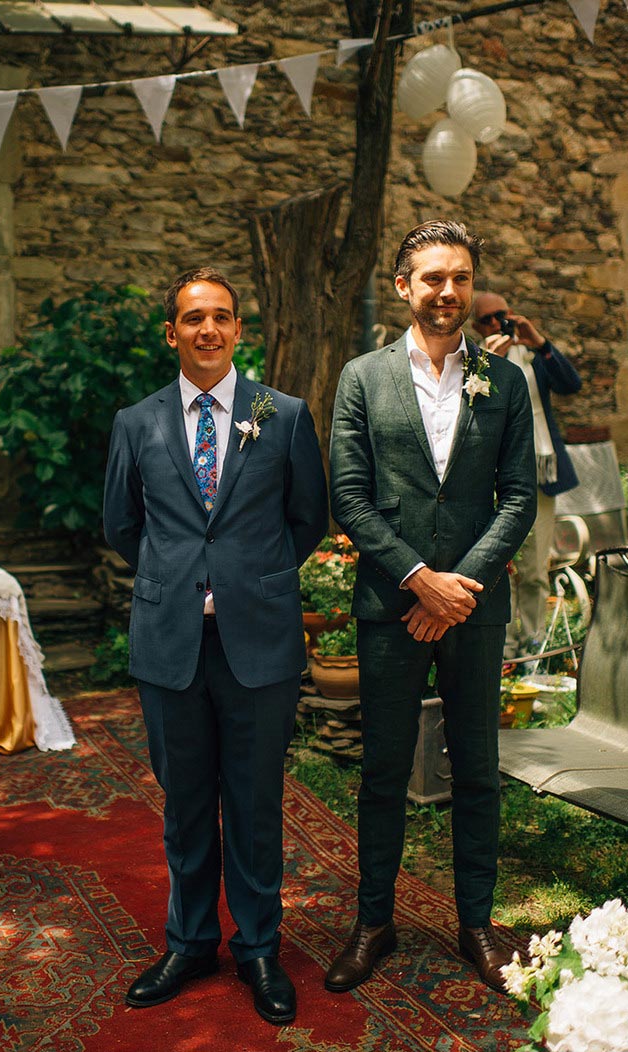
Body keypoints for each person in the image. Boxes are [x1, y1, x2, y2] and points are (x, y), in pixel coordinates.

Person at [103, 266, 328, 1024]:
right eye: (194, 318)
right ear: (172, 332)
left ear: (238, 331)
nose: (208, 330)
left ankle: (259, 946)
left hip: (257, 641)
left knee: (257, 802)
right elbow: (121, 525)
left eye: (222, 318)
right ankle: (191, 940)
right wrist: (181, 579)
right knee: (186, 803)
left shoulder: (283, 415)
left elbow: (308, 518)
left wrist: (247, 581)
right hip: (170, 642)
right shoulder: (137, 422)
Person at [327, 220, 537, 995]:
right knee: (382, 769)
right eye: (432, 278)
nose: (447, 291)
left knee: (477, 771)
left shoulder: (503, 381)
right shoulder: (362, 377)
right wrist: (420, 579)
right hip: (393, 604)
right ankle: (373, 922)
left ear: (470, 284)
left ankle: (476, 923)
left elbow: (516, 500)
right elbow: (348, 496)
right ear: (403, 287)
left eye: (459, 277)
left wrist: (457, 590)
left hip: (473, 609)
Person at [471, 293, 582, 658]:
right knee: (501, 567)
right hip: (494, 482)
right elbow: (469, 411)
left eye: (502, 315)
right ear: (476, 326)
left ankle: (532, 650)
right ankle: (502, 651)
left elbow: (571, 385)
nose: (496, 323)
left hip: (540, 473)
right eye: (488, 319)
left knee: (535, 569)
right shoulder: (475, 361)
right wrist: (489, 364)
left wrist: (539, 340)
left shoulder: (534, 357)